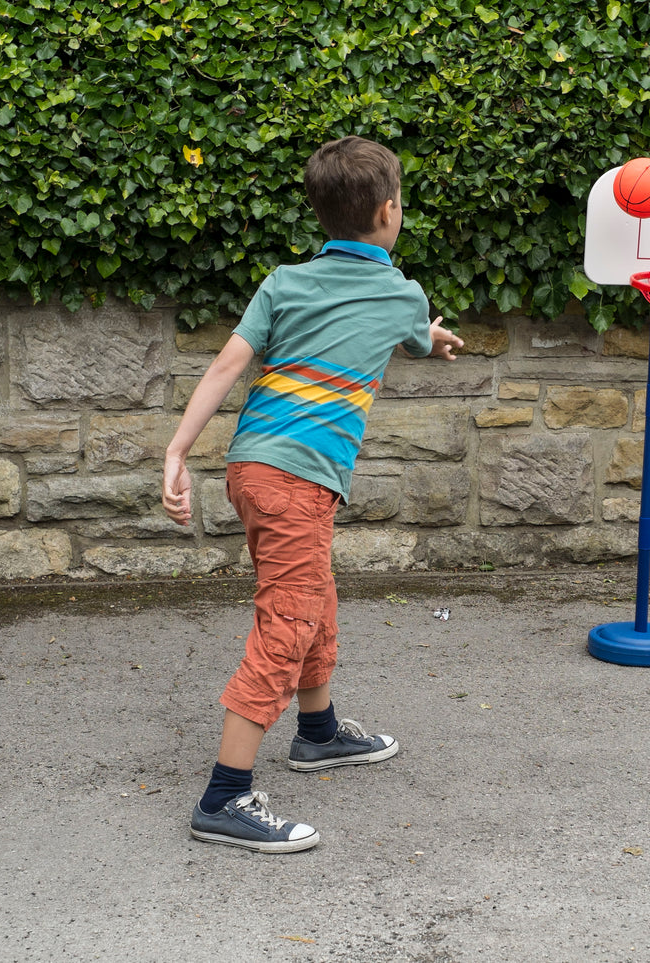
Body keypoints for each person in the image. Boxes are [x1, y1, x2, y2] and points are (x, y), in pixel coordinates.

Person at [161, 136, 464, 853]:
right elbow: (410, 333)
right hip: (298, 481)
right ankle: (224, 796)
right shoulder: (400, 294)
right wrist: (432, 336)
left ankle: (320, 732)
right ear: (389, 211)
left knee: (314, 595)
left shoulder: (285, 284)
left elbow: (226, 365)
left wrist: (176, 451)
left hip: (253, 468)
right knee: (289, 617)